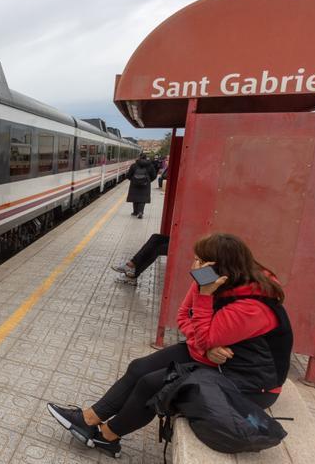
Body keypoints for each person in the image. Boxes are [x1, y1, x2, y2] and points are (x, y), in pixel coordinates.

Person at [47, 233, 293, 458]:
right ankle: (89, 418)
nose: (194, 266)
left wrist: (204, 299)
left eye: (200, 262)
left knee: (152, 384)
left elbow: (207, 336)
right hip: (212, 358)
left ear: (221, 268)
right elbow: (184, 316)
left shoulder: (251, 306)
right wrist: (205, 340)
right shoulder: (211, 281)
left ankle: (108, 436)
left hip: (249, 383)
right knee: (139, 367)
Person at [126, 153, 157, 218]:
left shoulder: (134, 165)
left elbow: (128, 175)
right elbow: (154, 175)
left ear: (139, 157)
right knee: (142, 199)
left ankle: (135, 212)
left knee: (135, 197)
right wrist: (148, 181)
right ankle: (140, 212)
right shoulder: (150, 165)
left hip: (134, 184)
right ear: (146, 158)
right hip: (145, 185)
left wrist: (133, 180)